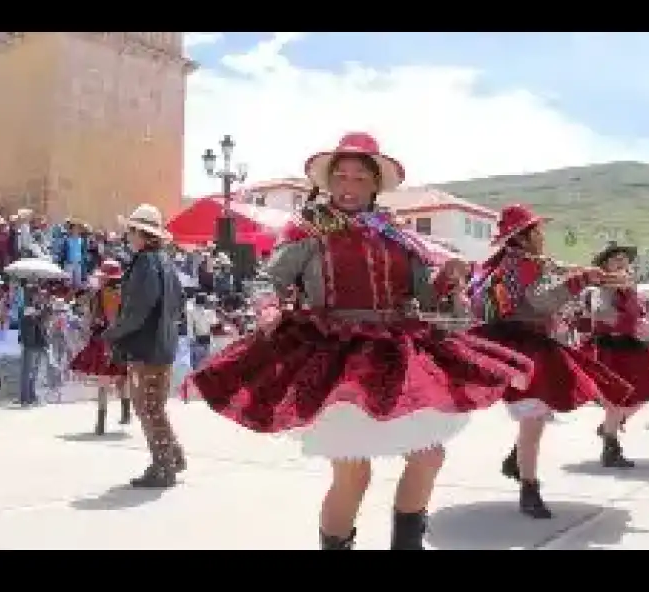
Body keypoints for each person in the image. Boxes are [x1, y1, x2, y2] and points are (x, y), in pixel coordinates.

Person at [182, 133, 533, 550]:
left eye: (359, 178)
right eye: (341, 177)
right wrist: (267, 307)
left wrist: (447, 277)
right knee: (353, 471)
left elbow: (424, 296)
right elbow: (267, 279)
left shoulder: (397, 234)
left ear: (374, 185)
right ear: (329, 183)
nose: (348, 186)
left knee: (429, 455)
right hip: (335, 352)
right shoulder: (309, 229)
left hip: (398, 349)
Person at [470, 204, 636, 519]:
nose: (542, 236)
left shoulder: (527, 263)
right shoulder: (520, 267)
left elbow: (556, 284)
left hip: (534, 343)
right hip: (524, 348)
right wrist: (582, 279)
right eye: (537, 231)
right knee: (533, 419)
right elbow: (541, 302)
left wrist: (592, 277)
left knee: (538, 416)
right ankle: (528, 488)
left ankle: (517, 462)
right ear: (522, 237)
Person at [104, 204, 186, 488]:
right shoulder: (165, 261)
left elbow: (137, 310)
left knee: (147, 407)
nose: (128, 236)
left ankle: (164, 466)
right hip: (162, 345)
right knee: (155, 406)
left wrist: (113, 334)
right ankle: (173, 455)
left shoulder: (144, 263)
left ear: (142, 233)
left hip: (145, 347)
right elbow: (177, 304)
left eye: (131, 231)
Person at [584, 242, 649, 468]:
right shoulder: (601, 288)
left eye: (623, 258)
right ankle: (610, 448)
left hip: (633, 347)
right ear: (605, 265)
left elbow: (645, 312)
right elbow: (600, 313)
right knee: (616, 400)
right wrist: (634, 323)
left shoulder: (632, 289)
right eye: (614, 259)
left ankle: (610, 427)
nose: (620, 262)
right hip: (612, 349)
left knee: (645, 392)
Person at [69, 260, 131, 435]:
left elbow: (91, 320)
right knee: (122, 379)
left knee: (103, 384)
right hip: (122, 341)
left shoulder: (98, 295)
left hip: (103, 340)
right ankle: (126, 412)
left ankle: (101, 423)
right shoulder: (126, 295)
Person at [17, 283, 48, 407]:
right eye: (38, 294)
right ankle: (25, 397)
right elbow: (32, 318)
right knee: (27, 371)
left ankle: (32, 395)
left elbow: (42, 320)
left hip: (38, 341)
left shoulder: (37, 306)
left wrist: (43, 310)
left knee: (34, 371)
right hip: (30, 342)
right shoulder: (26, 306)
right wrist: (41, 312)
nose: (40, 296)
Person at [188, 292, 218, 370]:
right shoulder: (210, 312)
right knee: (206, 362)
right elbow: (214, 323)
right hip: (205, 339)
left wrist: (191, 339)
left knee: (197, 364)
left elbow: (190, 326)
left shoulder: (191, 311)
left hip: (198, 339)